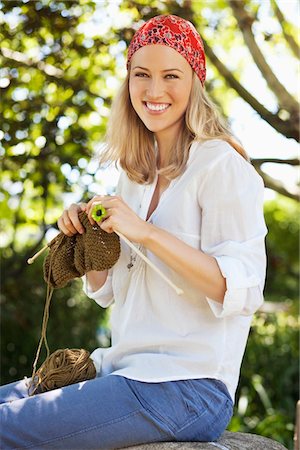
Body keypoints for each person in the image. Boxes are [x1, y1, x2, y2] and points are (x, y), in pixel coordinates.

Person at [0, 14, 267, 449]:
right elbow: (107, 292)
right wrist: (87, 239)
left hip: (188, 389)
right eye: (141, 75)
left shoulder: (221, 165)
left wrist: (144, 232)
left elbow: (241, 289)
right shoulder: (135, 178)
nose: (154, 90)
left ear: (195, 82)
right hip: (120, 371)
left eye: (170, 75)